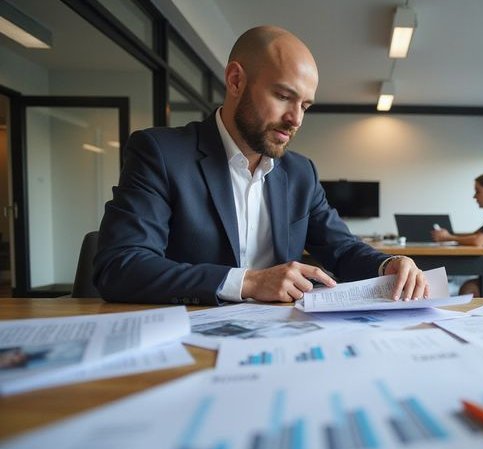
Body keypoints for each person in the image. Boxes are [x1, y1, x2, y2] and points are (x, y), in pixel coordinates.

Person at [93, 26, 428, 306]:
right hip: (190, 337)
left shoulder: (301, 173)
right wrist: (249, 282)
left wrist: (387, 264)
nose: (295, 119)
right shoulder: (161, 153)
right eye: (283, 96)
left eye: (305, 105)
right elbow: (120, 266)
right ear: (236, 81)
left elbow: (342, 248)